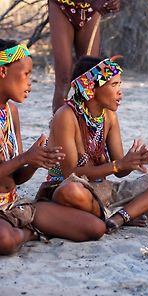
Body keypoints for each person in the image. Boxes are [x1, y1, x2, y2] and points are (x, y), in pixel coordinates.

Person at [36, 55, 148, 232]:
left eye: (120, 84)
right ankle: (126, 213)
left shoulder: (109, 116)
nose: (120, 92)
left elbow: (120, 172)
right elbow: (71, 173)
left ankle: (118, 217)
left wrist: (132, 162)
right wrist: (118, 165)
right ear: (91, 89)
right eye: (114, 85)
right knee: (71, 191)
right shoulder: (66, 116)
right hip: (69, 190)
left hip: (105, 191)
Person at [0, 39, 107, 255]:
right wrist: (25, 158)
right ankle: (29, 232)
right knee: (5, 241)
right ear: (3, 71)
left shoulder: (12, 113)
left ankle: (23, 225)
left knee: (95, 227)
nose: (30, 82)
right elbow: (16, 163)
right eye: (26, 74)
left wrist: (36, 161)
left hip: (14, 205)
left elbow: (16, 178)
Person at [48, 0, 120, 114]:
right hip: (61, 5)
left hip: (91, 10)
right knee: (63, 78)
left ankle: (88, 128)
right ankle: (58, 127)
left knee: (91, 77)